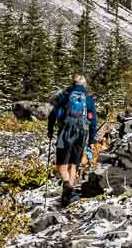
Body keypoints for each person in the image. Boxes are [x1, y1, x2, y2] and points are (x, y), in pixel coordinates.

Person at [47, 75, 97, 206]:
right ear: (84, 85)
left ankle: (67, 184)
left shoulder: (66, 95)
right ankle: (68, 194)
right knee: (74, 164)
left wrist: (50, 130)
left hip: (65, 132)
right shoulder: (88, 99)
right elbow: (93, 121)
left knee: (61, 164)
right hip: (82, 134)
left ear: (72, 83)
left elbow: (53, 114)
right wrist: (91, 139)